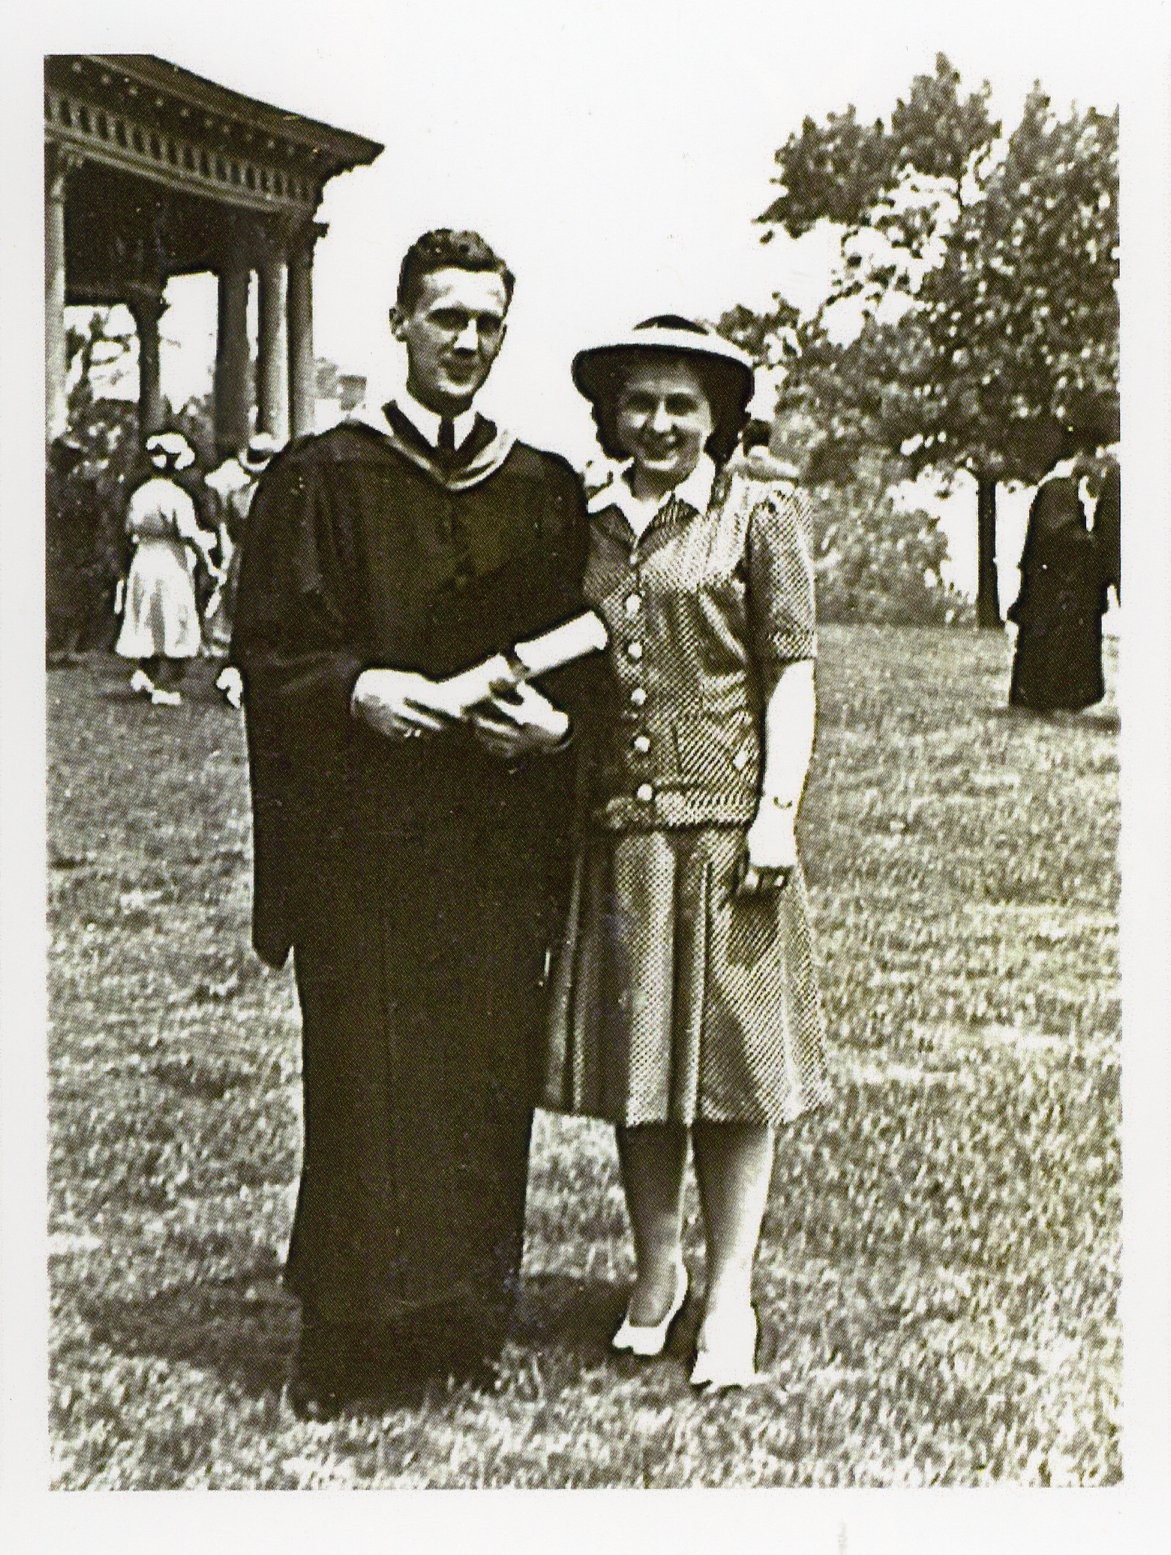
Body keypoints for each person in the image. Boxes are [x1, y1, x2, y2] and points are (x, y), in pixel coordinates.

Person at [231, 229, 591, 1418]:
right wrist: (356, 689)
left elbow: (587, 665)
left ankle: (462, 1319)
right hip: (363, 842)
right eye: (446, 318)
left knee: (485, 1077)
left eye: (488, 322)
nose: (468, 343)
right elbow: (271, 646)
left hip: (491, 843)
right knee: (362, 1075)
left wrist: (553, 732)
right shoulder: (320, 476)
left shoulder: (541, 488)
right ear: (398, 323)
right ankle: (345, 1336)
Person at [545, 317, 831, 1390]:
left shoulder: (756, 512)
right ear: (609, 414)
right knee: (642, 1070)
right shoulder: (584, 522)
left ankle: (730, 1296)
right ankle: (656, 1273)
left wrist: (776, 810)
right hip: (619, 830)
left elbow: (788, 671)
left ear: (717, 415)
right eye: (638, 402)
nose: (657, 423)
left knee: (733, 1072)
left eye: (681, 404)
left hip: (725, 833)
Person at [114, 430, 218, 705]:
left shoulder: (140, 494)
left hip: (144, 558)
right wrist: (208, 564)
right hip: (169, 560)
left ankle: (146, 672)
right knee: (171, 616)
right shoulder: (177, 497)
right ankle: (163, 684)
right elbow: (189, 534)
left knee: (147, 614)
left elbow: (128, 529)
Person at [1007, 467, 1108, 713]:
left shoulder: (1058, 492)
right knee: (1056, 640)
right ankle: (1054, 697)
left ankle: (1048, 697)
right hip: (1057, 590)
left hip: (1053, 589)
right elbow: (1061, 532)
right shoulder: (1061, 492)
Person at [203, 431, 280, 706]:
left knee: (239, 612)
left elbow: (232, 530)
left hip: (243, 557)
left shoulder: (239, 496)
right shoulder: (280, 497)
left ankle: (236, 673)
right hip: (270, 557)